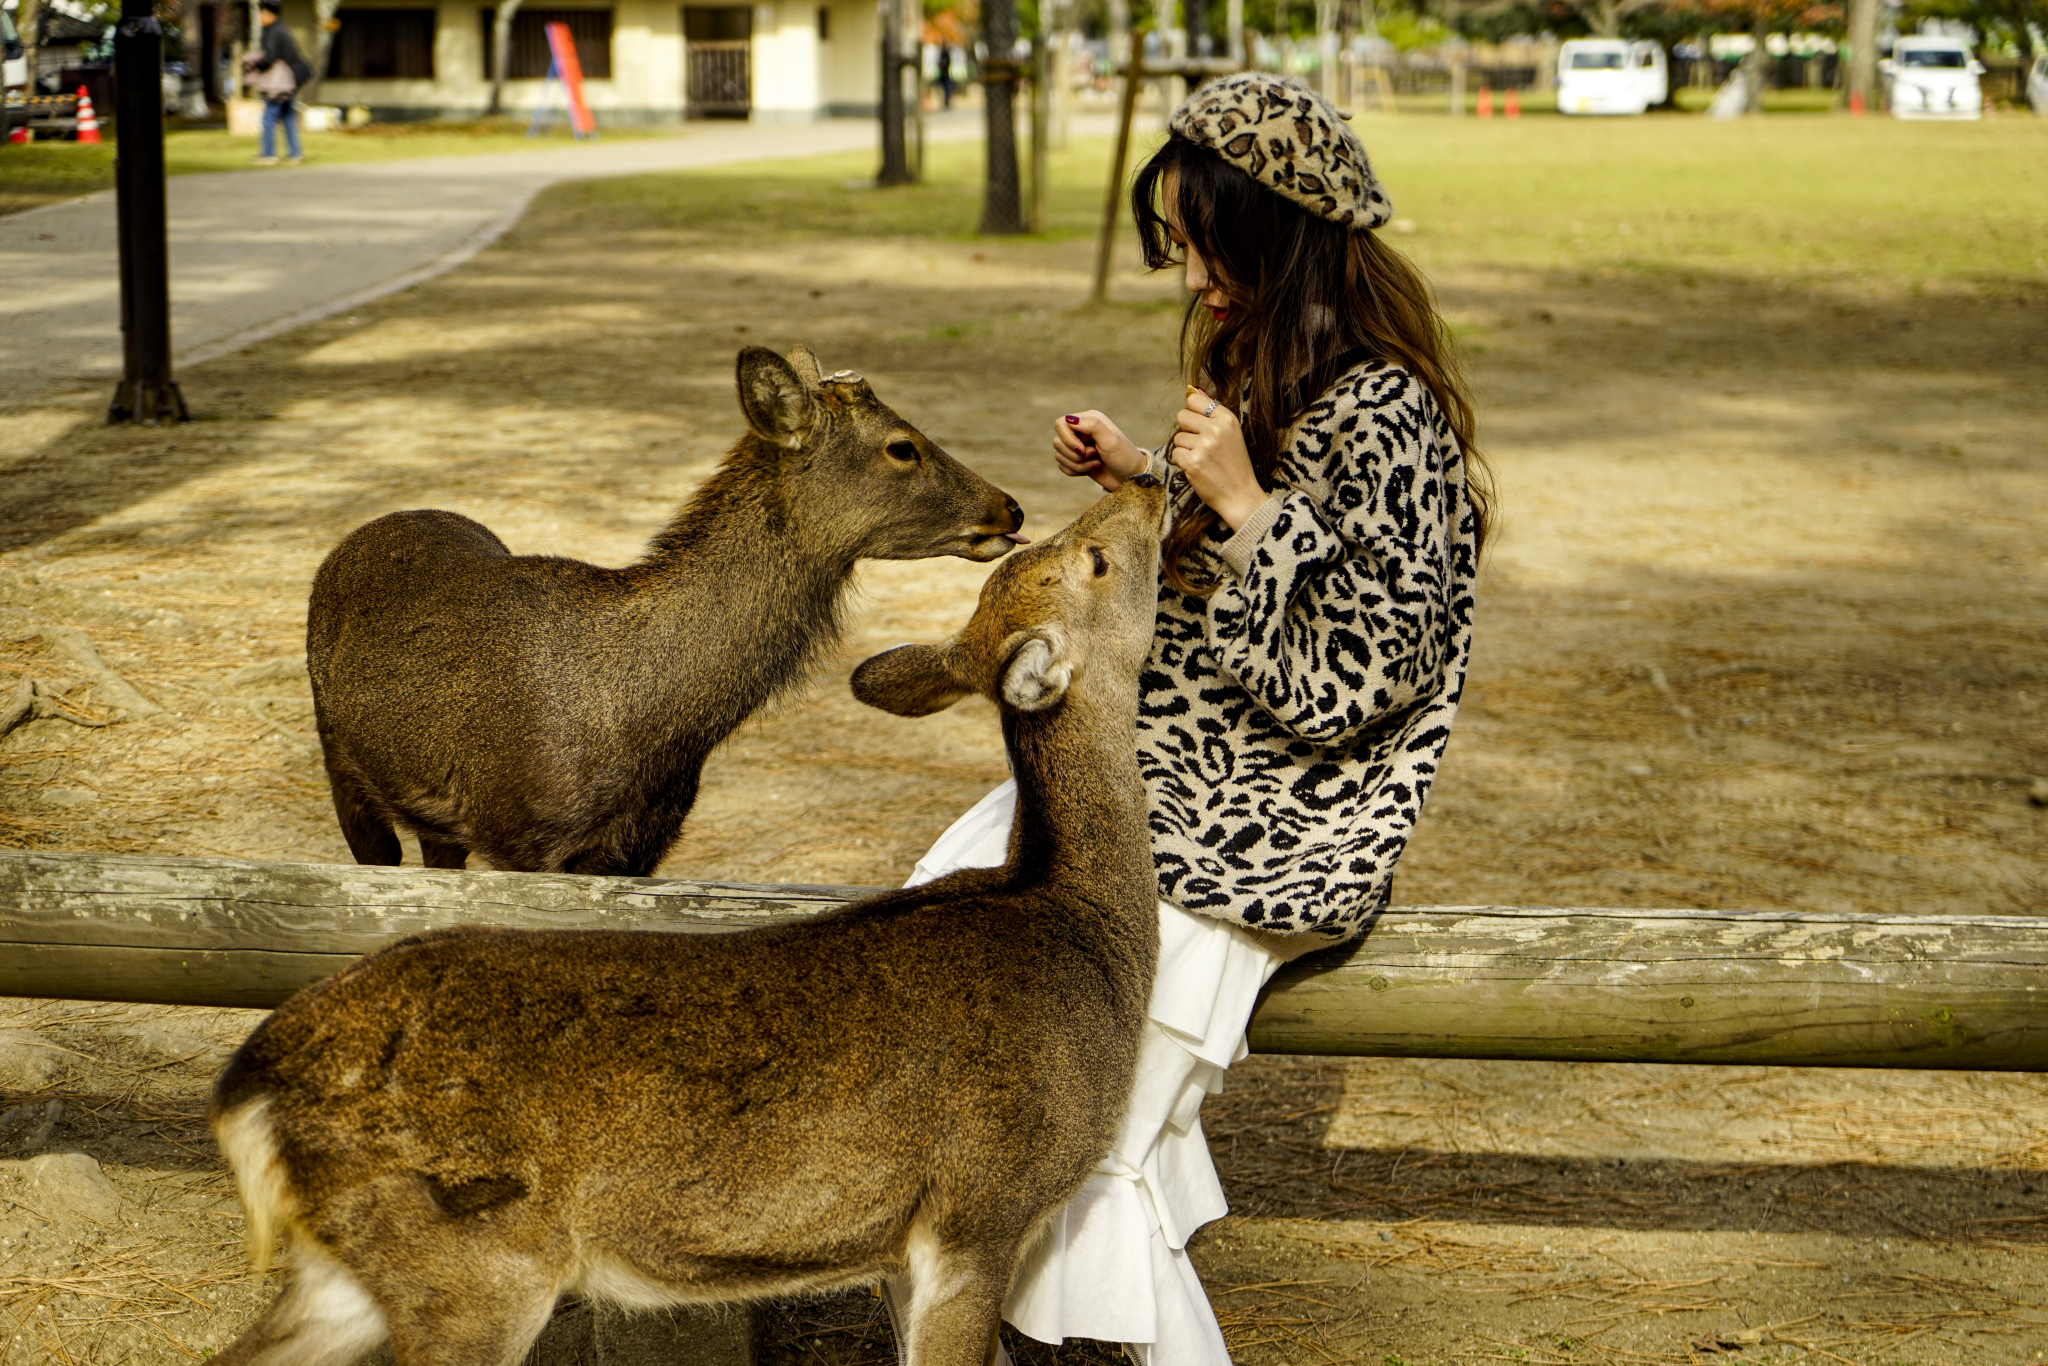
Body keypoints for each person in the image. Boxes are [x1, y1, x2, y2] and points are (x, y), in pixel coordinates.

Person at [900, 73, 1491, 1365]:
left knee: (1074, 1118)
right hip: (1180, 765)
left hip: (1285, 815)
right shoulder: (1273, 363)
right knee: (949, 909)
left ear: (1281, 238)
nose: (1193, 279)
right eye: (1181, 246)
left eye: (1209, 246)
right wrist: (1149, 473)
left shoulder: (1396, 414)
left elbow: (1362, 678)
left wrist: (1249, 503)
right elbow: (1257, 553)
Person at [246, 0, 311, 166]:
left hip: (281, 82)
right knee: (288, 115)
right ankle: (294, 154)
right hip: (293, 78)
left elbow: (271, 56)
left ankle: (268, 154)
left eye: (261, 13)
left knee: (269, 116)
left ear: (269, 14)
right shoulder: (281, 29)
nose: (259, 17)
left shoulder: (274, 31)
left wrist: (255, 65)